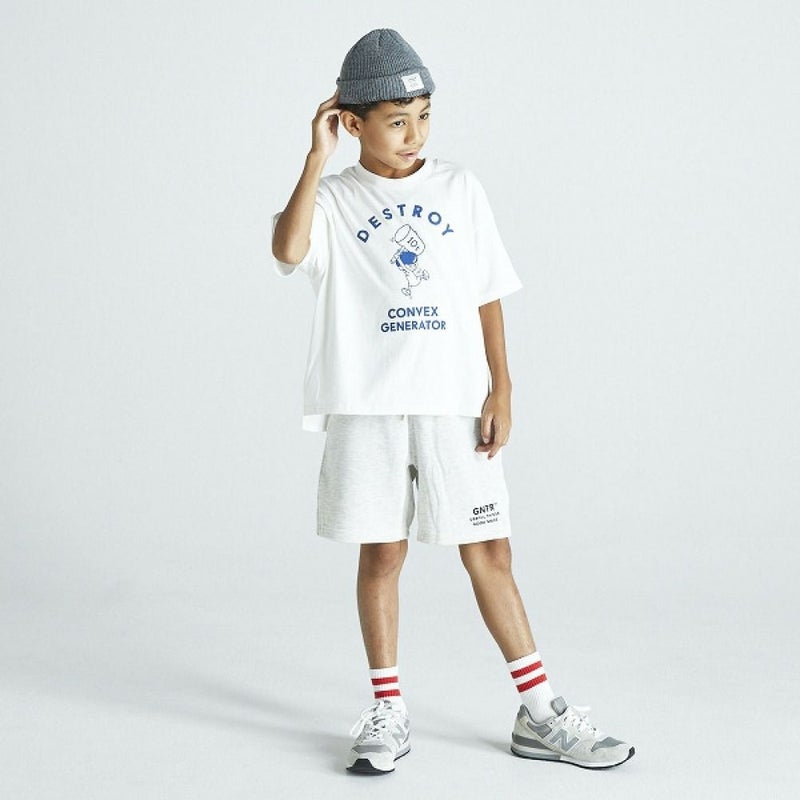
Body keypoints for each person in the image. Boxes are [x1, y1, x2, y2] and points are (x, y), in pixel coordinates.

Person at [271, 28, 635, 774]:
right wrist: (315, 158)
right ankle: (388, 710)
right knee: (382, 552)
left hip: (453, 399)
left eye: (424, 116)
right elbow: (287, 250)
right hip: (368, 406)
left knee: (490, 549)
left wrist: (503, 384)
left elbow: (486, 290)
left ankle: (540, 713)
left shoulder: (459, 187)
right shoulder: (334, 198)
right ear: (352, 122)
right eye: (396, 121)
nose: (415, 134)